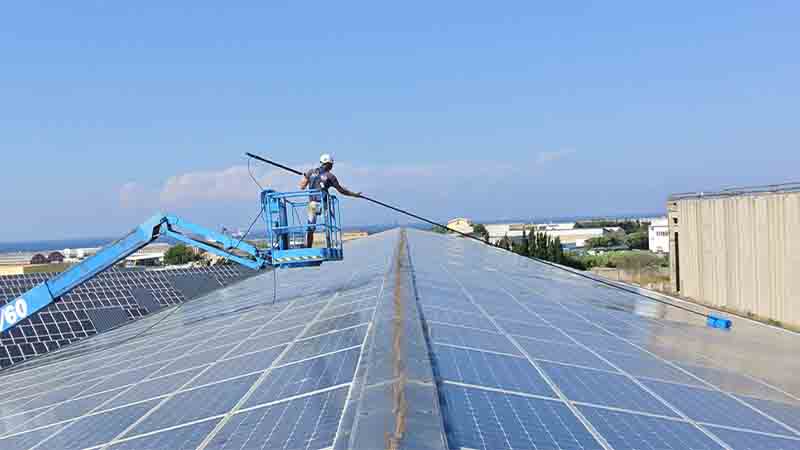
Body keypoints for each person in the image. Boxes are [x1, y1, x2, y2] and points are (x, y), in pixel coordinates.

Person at [299, 153, 361, 248]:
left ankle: (308, 247)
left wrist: (305, 176)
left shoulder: (311, 172)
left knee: (310, 227)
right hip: (324, 204)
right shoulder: (330, 176)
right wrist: (354, 195)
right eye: (331, 165)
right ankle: (329, 246)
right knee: (327, 226)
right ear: (328, 164)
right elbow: (341, 190)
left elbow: (302, 186)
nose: (332, 167)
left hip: (312, 204)